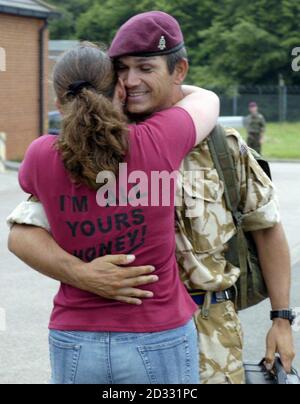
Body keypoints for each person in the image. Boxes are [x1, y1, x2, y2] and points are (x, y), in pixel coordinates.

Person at [8, 11, 295, 385]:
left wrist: (282, 319)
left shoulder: (222, 146)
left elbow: (267, 227)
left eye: (145, 67)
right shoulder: (87, 148)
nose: (130, 80)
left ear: (179, 71)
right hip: (151, 331)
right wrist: (83, 275)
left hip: (214, 333)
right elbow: (22, 234)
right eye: (121, 69)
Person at [10, 37, 220, 385]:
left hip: (75, 335)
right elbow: (207, 99)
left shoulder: (39, 155)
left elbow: (26, 218)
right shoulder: (158, 139)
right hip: (157, 333)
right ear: (120, 90)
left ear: (58, 103)